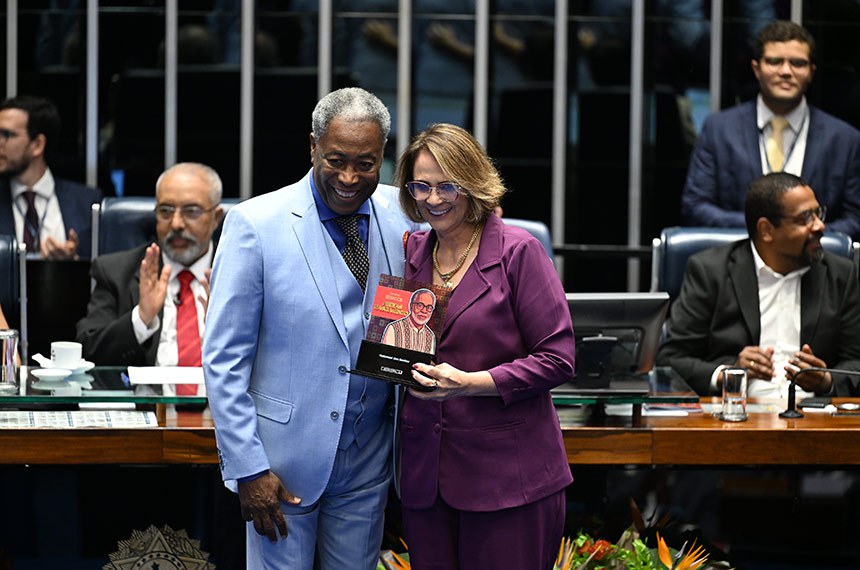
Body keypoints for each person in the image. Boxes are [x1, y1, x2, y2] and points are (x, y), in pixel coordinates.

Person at [202, 87, 415, 569]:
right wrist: (248, 467)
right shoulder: (255, 223)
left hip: (369, 460)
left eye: (365, 163)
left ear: (382, 155)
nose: (349, 177)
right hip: (280, 465)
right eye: (336, 159)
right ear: (313, 147)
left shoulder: (405, 215)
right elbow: (223, 360)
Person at [393, 123, 575, 569]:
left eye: (447, 186)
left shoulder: (519, 251)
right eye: (421, 186)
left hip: (506, 479)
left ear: (473, 183)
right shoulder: (410, 252)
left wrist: (471, 383)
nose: (433, 199)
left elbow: (559, 357)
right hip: (424, 477)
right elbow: (401, 351)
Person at [659, 172, 860, 398]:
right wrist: (729, 372)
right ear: (766, 230)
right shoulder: (711, 271)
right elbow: (671, 359)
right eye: (805, 218)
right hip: (737, 417)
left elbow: (856, 362)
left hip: (814, 419)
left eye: (818, 213)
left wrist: (826, 380)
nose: (819, 226)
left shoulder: (841, 275)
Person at [681, 20, 860, 240]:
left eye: (797, 63)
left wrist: (801, 236)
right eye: (775, 61)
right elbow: (695, 207)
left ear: (811, 71)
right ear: (756, 69)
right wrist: (767, 228)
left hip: (816, 266)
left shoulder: (845, 139)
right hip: (736, 264)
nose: (786, 71)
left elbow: (855, 218)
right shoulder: (719, 130)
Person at [76, 162, 224, 368]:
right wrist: (141, 319)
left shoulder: (239, 275)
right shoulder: (117, 271)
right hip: (147, 400)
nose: (176, 224)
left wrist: (227, 333)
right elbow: (87, 352)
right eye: (166, 211)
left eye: (191, 211)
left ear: (216, 218)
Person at [0, 95, 102, 259]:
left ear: (37, 145)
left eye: (6, 134)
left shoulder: (87, 202)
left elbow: (104, 273)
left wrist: (72, 263)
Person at [381, 288, 437, 352]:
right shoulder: (394, 328)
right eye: (420, 305)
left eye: (429, 307)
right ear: (410, 306)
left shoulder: (430, 336)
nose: (424, 311)